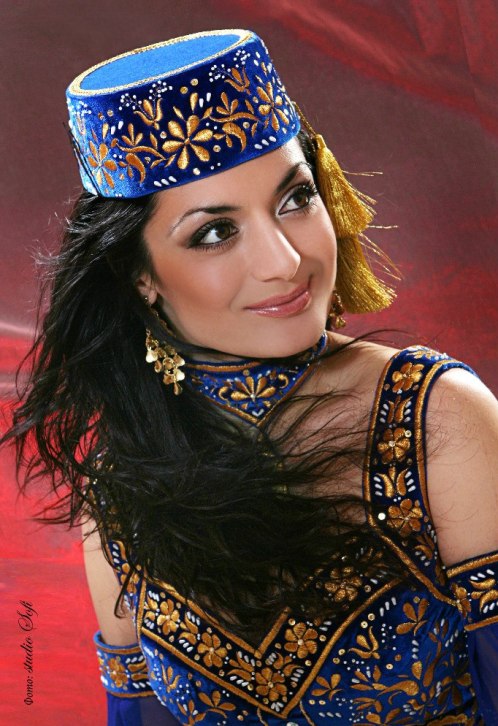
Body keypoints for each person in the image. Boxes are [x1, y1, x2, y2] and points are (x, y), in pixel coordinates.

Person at [4, 29, 498, 725]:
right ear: (139, 276)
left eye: (295, 199)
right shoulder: (118, 497)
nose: (284, 261)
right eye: (215, 232)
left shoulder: (436, 422)